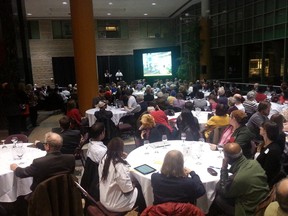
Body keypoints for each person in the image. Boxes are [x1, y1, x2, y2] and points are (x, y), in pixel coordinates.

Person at [213, 142, 269, 216]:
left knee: (218, 198)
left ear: (226, 158)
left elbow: (224, 191)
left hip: (249, 210)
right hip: (264, 201)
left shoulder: (237, 179)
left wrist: (224, 169)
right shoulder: (254, 163)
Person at [10, 132, 75, 191]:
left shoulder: (39, 162)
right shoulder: (70, 158)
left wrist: (16, 168)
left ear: (47, 146)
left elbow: (23, 173)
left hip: (42, 195)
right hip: (64, 191)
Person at [98, 137, 146, 213]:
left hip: (104, 198)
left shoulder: (103, 159)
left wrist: (120, 157)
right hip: (116, 204)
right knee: (143, 189)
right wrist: (134, 184)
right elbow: (128, 190)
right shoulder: (119, 166)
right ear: (121, 150)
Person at [257, 121, 283, 187]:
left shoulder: (274, 151)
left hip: (262, 183)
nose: (260, 128)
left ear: (266, 131)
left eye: (262, 127)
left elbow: (267, 173)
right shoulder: (263, 144)